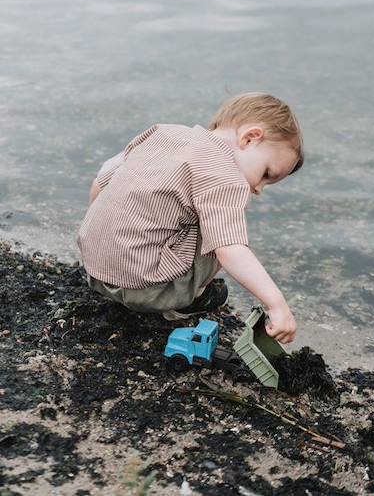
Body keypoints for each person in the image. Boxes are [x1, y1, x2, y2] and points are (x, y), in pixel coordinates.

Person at [77, 92, 304, 343]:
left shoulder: (162, 132)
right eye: (266, 173)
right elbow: (229, 248)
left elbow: (101, 182)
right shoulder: (226, 176)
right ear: (250, 137)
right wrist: (276, 305)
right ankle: (190, 298)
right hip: (145, 291)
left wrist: (103, 241)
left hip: (94, 271)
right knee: (224, 229)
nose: (259, 189)